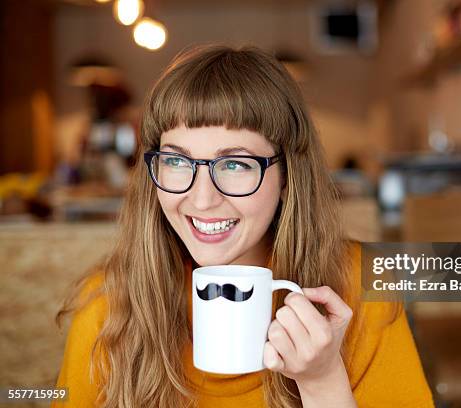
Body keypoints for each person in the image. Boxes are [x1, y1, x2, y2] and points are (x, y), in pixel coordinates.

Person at [53, 45, 433, 408]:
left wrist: (321, 380)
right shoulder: (108, 305)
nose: (201, 199)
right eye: (178, 162)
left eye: (235, 164)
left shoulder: (363, 286)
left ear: (287, 176)